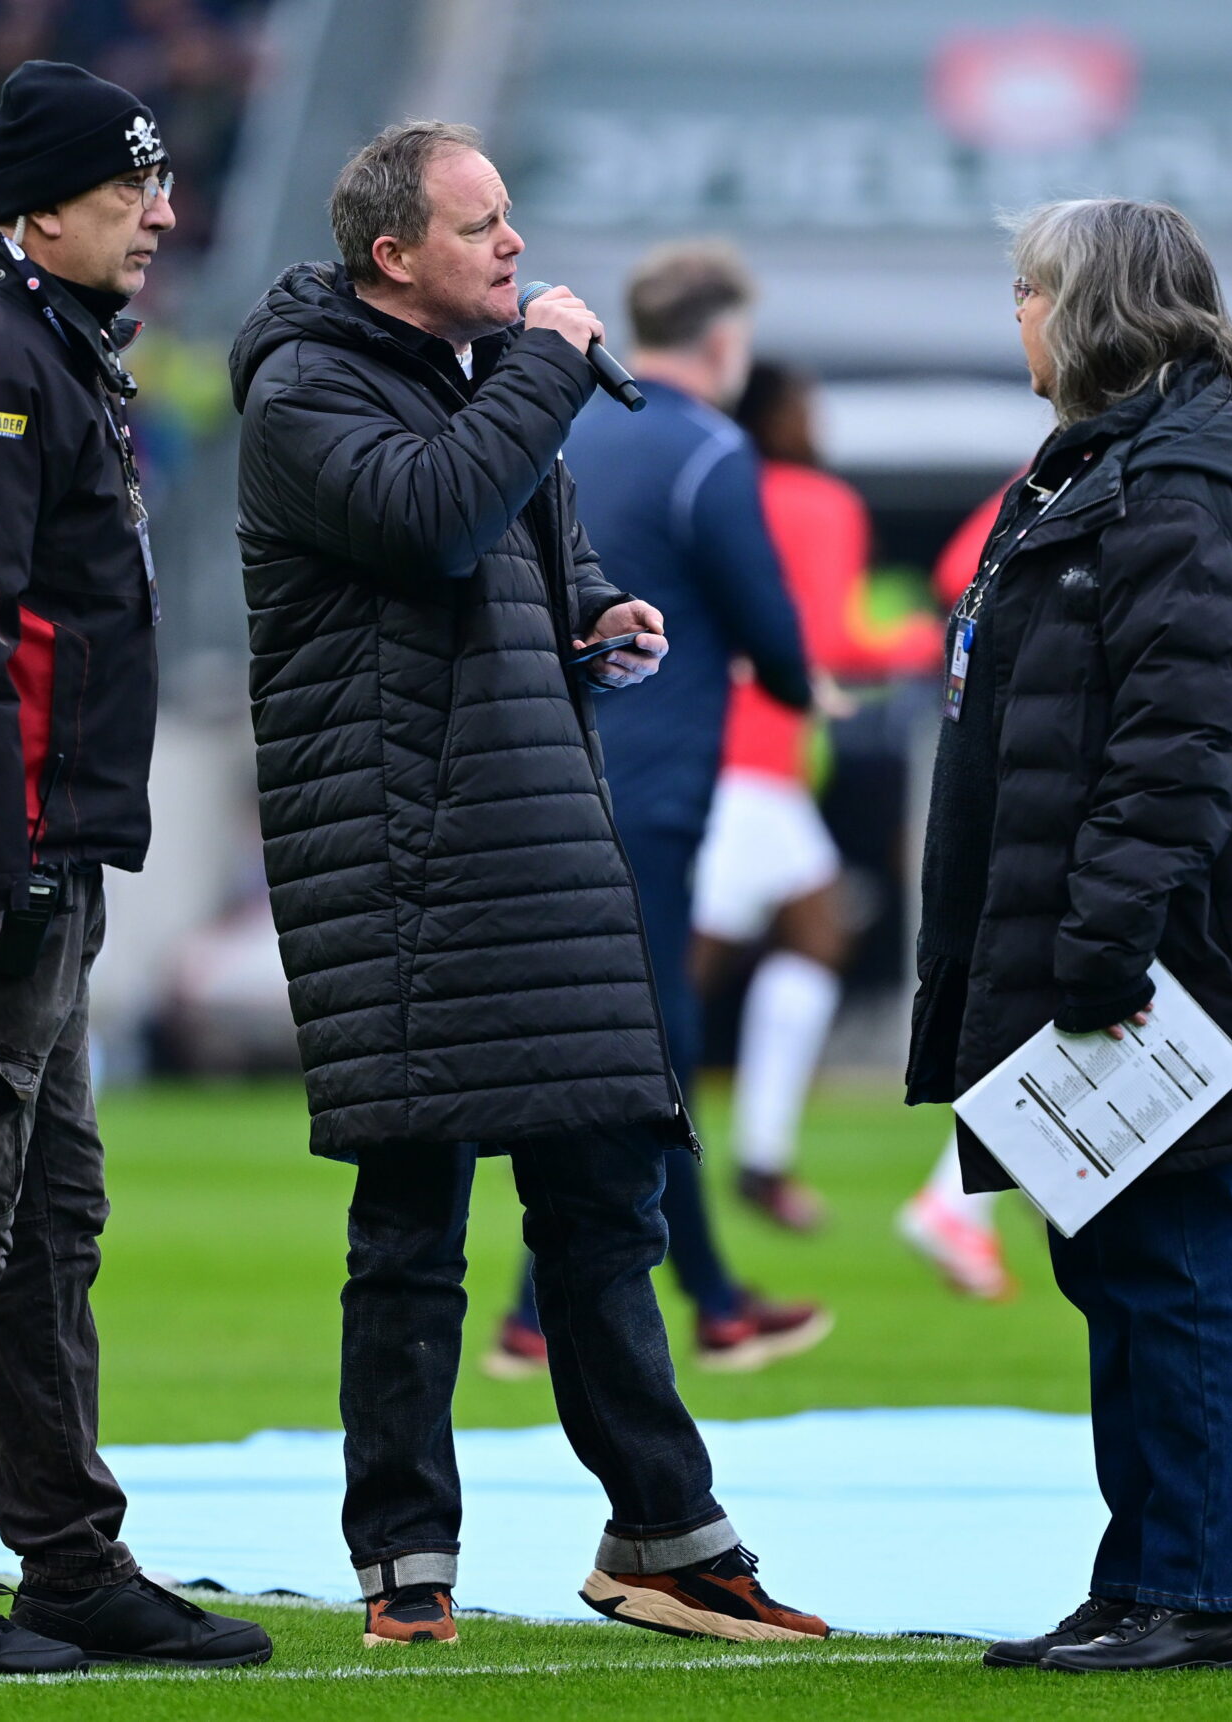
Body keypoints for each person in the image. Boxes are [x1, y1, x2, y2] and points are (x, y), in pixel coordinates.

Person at [228, 120, 827, 1649]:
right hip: (406, 868)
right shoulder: (307, 390)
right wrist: (550, 368)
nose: (515, 243)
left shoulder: (483, 386)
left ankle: (667, 1538)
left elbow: (513, 565)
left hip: (531, 843)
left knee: (602, 1198)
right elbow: (431, 519)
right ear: (392, 258)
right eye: (482, 223)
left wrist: (596, 622)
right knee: (414, 1223)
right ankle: (405, 1563)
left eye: (511, 218)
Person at [0, 62, 270, 1676]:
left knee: (42, 1210)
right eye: (129, 190)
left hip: (30, 858)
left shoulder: (30, 342)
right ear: (42, 211)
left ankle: (68, 1558)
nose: (161, 215)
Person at [905, 198, 1232, 1676]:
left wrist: (1106, 954)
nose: (1020, 317)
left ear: (1094, 310)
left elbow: (1175, 752)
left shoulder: (1171, 495)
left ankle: (1189, 1590)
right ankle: (1143, 1576)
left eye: (1031, 288)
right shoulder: (1111, 478)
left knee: (1167, 1267)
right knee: (1117, 1266)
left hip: (1165, 965)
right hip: (1103, 942)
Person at [482, 245, 832, 1377]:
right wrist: (797, 684)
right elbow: (772, 635)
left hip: (541, 773)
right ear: (724, 342)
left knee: (613, 1035)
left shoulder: (563, 426)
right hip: (657, 788)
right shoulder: (709, 451)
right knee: (653, 1039)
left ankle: (629, 1308)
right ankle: (649, 1309)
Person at [696, 361, 941, 1234]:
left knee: (811, 930)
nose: (816, 425)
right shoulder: (816, 501)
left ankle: (756, 1158)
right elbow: (833, 638)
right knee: (683, 978)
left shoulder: (712, 482)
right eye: (805, 409)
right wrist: (923, 639)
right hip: (751, 763)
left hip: (707, 752)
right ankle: (630, 1144)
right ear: (774, 418)